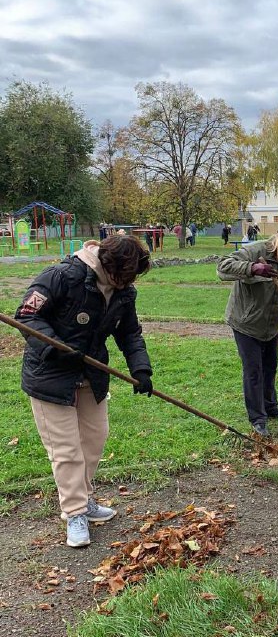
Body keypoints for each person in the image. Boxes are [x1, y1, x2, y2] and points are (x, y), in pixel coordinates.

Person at [16, 234, 154, 548]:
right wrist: (58, 347)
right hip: (50, 375)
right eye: (126, 275)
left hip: (91, 374)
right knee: (66, 450)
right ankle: (75, 512)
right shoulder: (63, 276)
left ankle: (85, 499)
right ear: (109, 264)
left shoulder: (122, 291)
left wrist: (141, 369)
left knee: (95, 439)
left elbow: (130, 333)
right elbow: (26, 316)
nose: (128, 283)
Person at [217, 226, 278, 438]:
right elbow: (222, 268)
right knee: (254, 370)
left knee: (270, 367)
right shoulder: (256, 251)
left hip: (270, 325)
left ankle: (271, 408)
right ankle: (257, 418)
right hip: (245, 322)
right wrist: (252, 268)